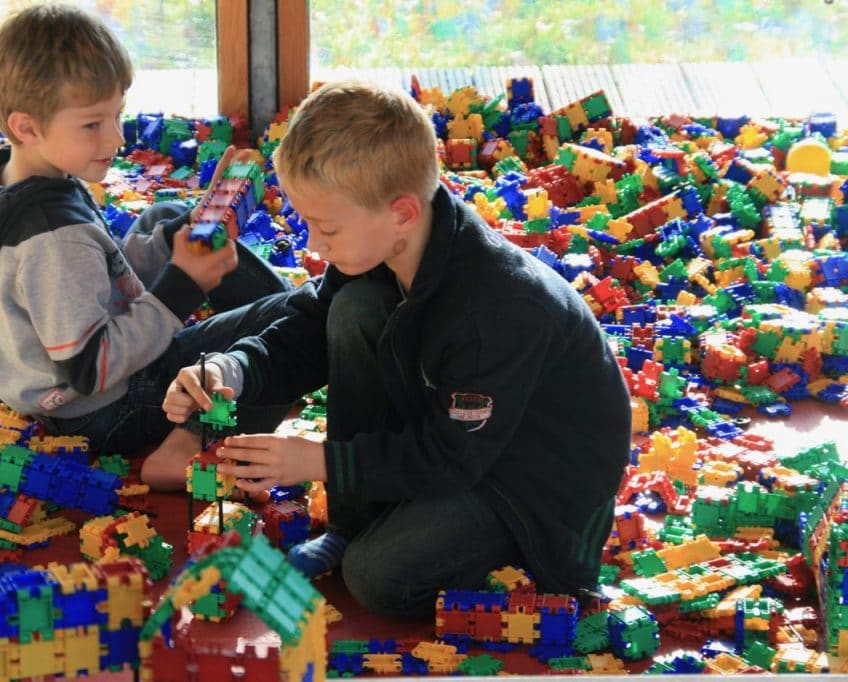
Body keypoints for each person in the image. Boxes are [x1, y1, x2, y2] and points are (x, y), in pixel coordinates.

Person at [163, 81, 631, 618]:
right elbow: (305, 329)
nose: (314, 245)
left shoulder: (495, 312)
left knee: (377, 579)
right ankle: (355, 523)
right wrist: (232, 368)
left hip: (532, 484)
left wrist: (320, 461)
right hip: (462, 433)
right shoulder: (387, 245)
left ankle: (502, 554)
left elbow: (453, 457)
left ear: (402, 213)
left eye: (327, 227)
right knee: (354, 308)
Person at [0, 4, 290, 491]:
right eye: (92, 124)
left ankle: (244, 299)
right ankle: (188, 444)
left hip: (45, 385)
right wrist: (181, 288)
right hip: (104, 410)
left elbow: (95, 276)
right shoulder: (54, 240)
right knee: (288, 320)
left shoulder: (6, 179)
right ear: (27, 127)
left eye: (118, 115)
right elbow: (91, 370)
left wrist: (187, 234)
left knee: (167, 220)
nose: (116, 137)